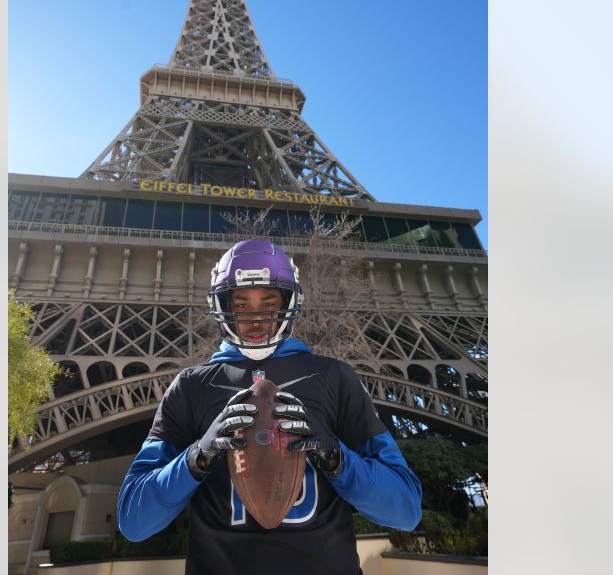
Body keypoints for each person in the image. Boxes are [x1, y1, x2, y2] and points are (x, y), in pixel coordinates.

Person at [117, 238, 422, 574]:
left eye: (269, 302)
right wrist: (196, 458)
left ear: (289, 302)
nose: (257, 318)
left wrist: (335, 456)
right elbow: (134, 521)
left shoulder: (335, 376)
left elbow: (405, 512)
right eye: (241, 304)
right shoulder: (190, 386)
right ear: (221, 306)